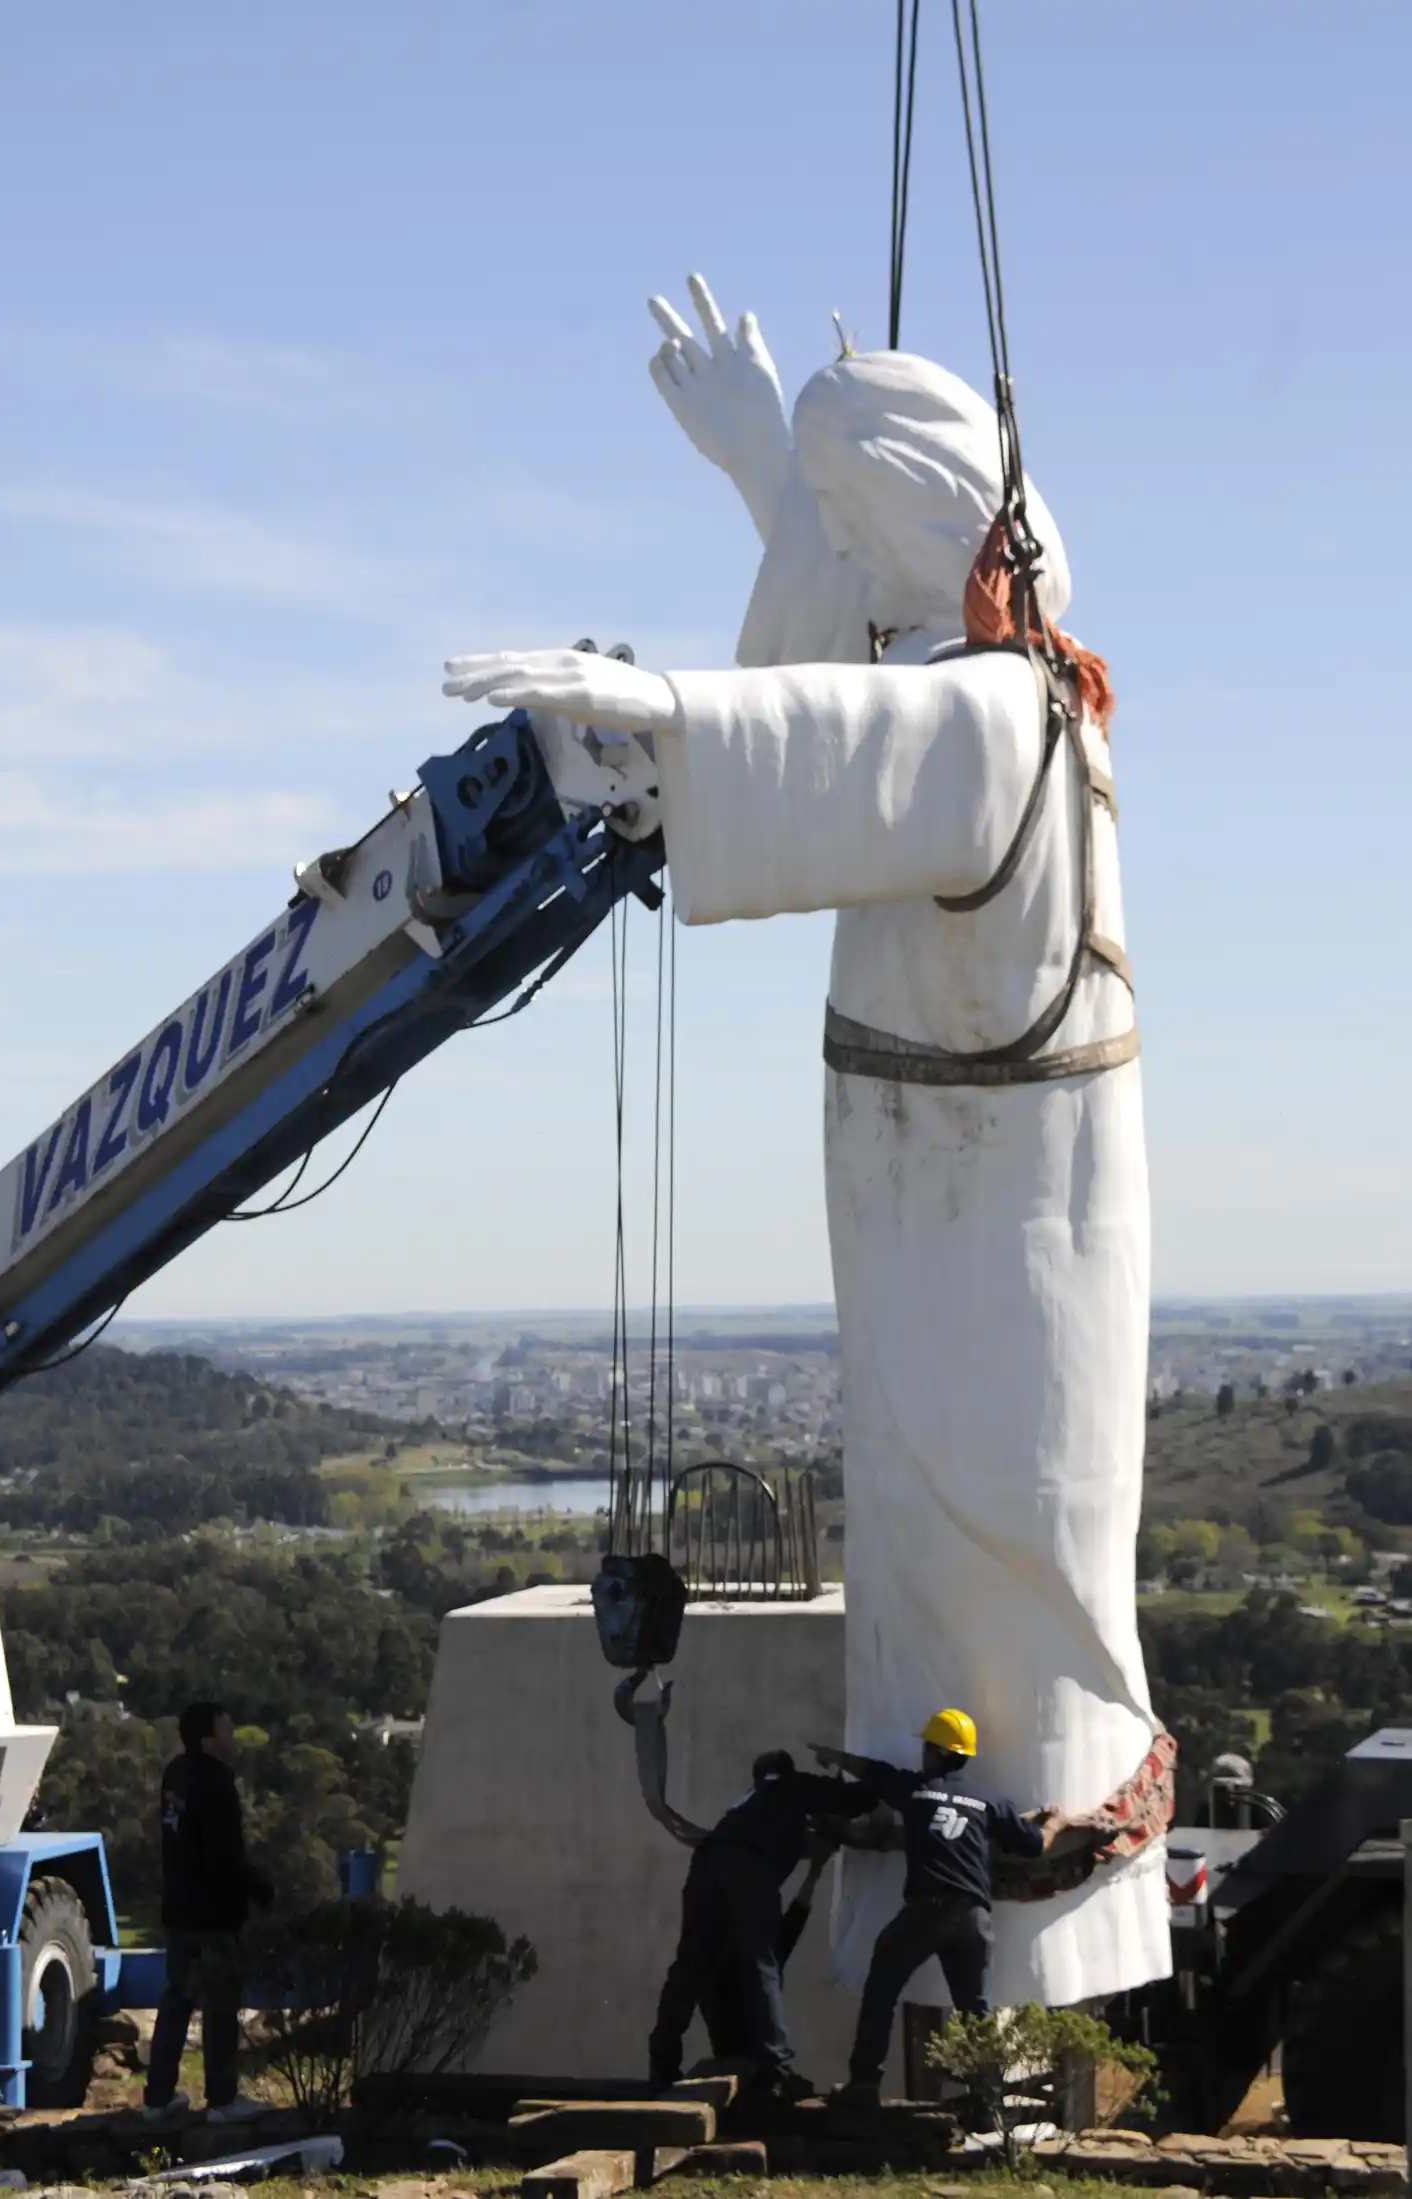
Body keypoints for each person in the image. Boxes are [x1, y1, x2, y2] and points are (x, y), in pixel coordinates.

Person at [443, 273, 1170, 2009]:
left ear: (921, 515)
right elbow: (847, 679)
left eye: (854, 511)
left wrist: (669, 719)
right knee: (929, 1530)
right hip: (934, 1170)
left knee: (998, 1533)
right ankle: (940, 1953)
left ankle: (1016, 1939)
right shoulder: (974, 676)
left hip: (1005, 1214)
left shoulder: (1002, 711)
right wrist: (772, 468)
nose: (830, 542)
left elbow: (842, 730)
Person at [813, 1709, 1060, 2101]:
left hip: (927, 1908)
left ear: (938, 1753)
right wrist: (1056, 1822)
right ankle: (985, 2101)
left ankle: (863, 2084)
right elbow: (1032, 1845)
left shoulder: (915, 1790)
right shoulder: (988, 1801)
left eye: (927, 1746)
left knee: (881, 1988)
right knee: (974, 2010)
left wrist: (835, 1757)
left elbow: (875, 1772)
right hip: (973, 1916)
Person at [648, 1749, 874, 2095]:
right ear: (786, 1770)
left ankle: (662, 2063)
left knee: (690, 1966)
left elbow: (781, 1836)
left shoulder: (744, 1804)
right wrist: (846, 1770)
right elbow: (857, 1799)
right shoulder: (792, 1785)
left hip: (705, 1866)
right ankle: (777, 2067)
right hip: (750, 1871)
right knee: (761, 1963)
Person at [142, 1702, 274, 2125]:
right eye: (225, 1722)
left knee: (177, 1999)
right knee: (220, 2005)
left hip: (178, 1906)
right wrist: (261, 1889)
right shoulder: (217, 1781)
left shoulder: (175, 1774)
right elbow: (226, 1855)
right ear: (208, 1737)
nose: (232, 1726)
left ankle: (158, 2097)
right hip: (215, 1912)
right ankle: (222, 2099)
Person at [698, 1822, 839, 2059]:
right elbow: (794, 1918)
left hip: (743, 2056)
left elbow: (795, 1917)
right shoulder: (734, 1957)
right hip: (746, 2058)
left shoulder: (746, 1948)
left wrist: (815, 1870)